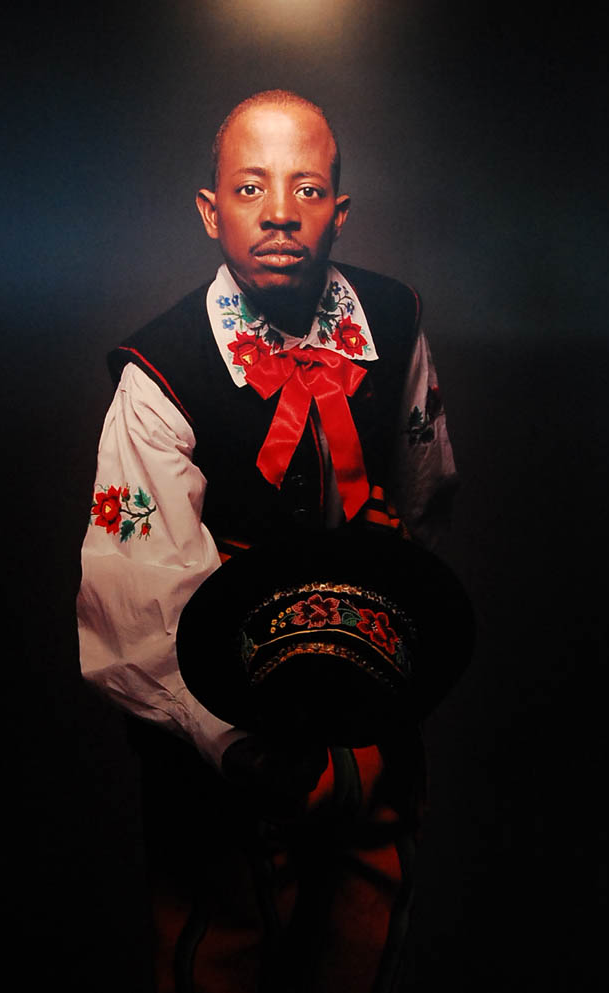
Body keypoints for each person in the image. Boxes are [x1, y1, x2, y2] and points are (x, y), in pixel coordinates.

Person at [77, 90, 458, 993]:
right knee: (223, 938)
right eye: (250, 188)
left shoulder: (393, 317)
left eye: (307, 188)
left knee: (367, 924)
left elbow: (425, 491)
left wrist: (392, 637)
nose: (280, 211)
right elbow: (138, 592)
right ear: (211, 211)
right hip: (229, 716)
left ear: (339, 211)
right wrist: (239, 747)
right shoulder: (162, 371)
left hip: (369, 696)